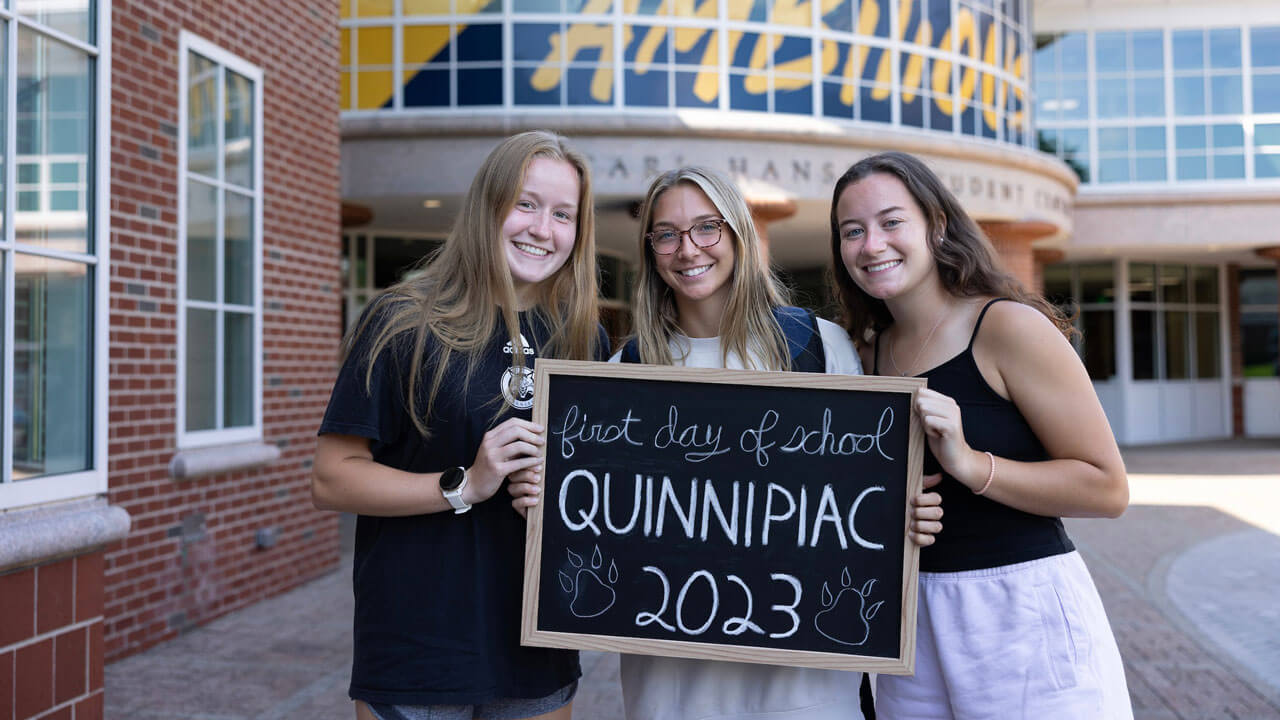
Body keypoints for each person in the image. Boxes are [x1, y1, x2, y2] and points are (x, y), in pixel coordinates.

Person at [509, 166, 944, 720]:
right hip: (671, 691)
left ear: (737, 232)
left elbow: (860, 501)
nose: (688, 249)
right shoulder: (629, 369)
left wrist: (904, 515)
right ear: (651, 252)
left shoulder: (815, 346)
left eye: (707, 227)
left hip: (806, 692)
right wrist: (544, 499)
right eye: (666, 234)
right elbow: (599, 517)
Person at [312, 130, 607, 720]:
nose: (542, 229)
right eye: (525, 204)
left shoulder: (582, 337)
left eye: (562, 214)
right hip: (418, 646)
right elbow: (332, 479)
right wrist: (465, 484)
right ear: (487, 206)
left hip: (535, 646)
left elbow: (593, 489)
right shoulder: (403, 321)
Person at [829, 151, 1133, 719]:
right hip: (910, 624)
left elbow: (1107, 489)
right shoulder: (866, 355)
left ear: (937, 225)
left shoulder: (1007, 327)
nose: (872, 245)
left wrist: (972, 464)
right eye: (853, 231)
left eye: (892, 222)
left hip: (1019, 609)